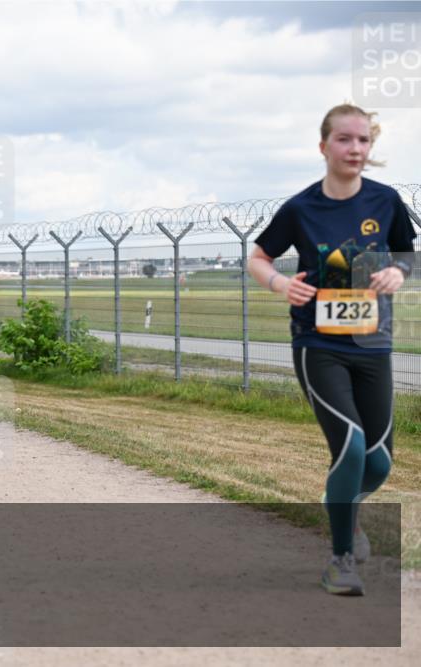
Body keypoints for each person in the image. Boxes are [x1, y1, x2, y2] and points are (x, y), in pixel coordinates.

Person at [248, 104, 415, 596]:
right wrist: (280, 283)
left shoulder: (386, 202)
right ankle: (341, 560)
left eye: (364, 141)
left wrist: (398, 272)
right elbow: (259, 257)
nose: (356, 149)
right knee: (350, 447)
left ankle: (341, 506)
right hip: (317, 345)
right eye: (345, 140)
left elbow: (407, 253)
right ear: (324, 147)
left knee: (379, 462)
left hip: (372, 345)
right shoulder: (301, 208)